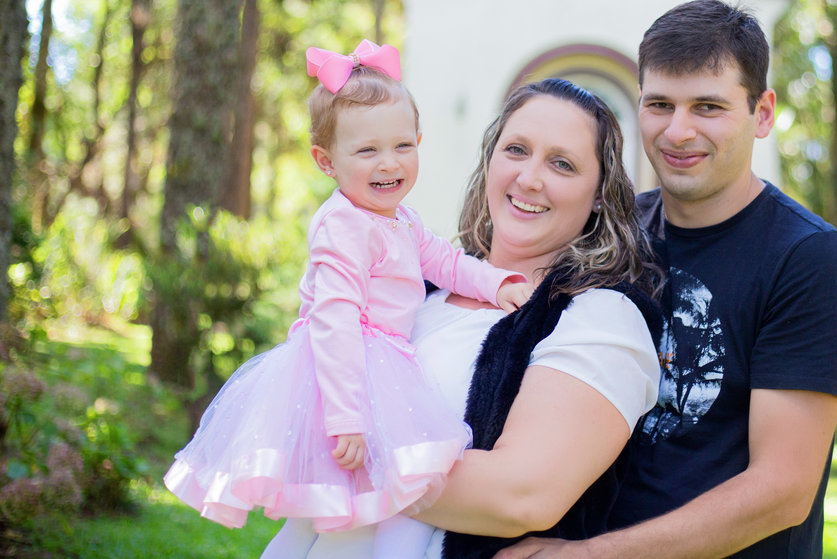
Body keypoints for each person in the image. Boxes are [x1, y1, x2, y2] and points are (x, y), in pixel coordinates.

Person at [497, 0, 837, 559]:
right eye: (660, 104)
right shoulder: (608, 233)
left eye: (708, 107)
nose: (678, 130)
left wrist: (591, 557)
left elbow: (783, 490)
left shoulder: (806, 258)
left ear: (762, 113)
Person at [261, 77, 664, 559]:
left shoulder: (601, 315)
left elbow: (522, 494)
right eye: (516, 149)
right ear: (490, 161)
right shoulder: (420, 287)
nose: (530, 178)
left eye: (562, 163)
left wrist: (332, 457)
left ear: (600, 193)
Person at [164, 39, 534, 552]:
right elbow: (333, 320)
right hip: (345, 372)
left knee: (371, 512)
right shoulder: (342, 225)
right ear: (325, 161)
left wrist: (496, 283)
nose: (389, 163)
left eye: (403, 146)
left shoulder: (399, 218)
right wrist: (346, 417)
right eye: (367, 151)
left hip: (378, 362)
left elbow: (444, 262)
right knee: (347, 511)